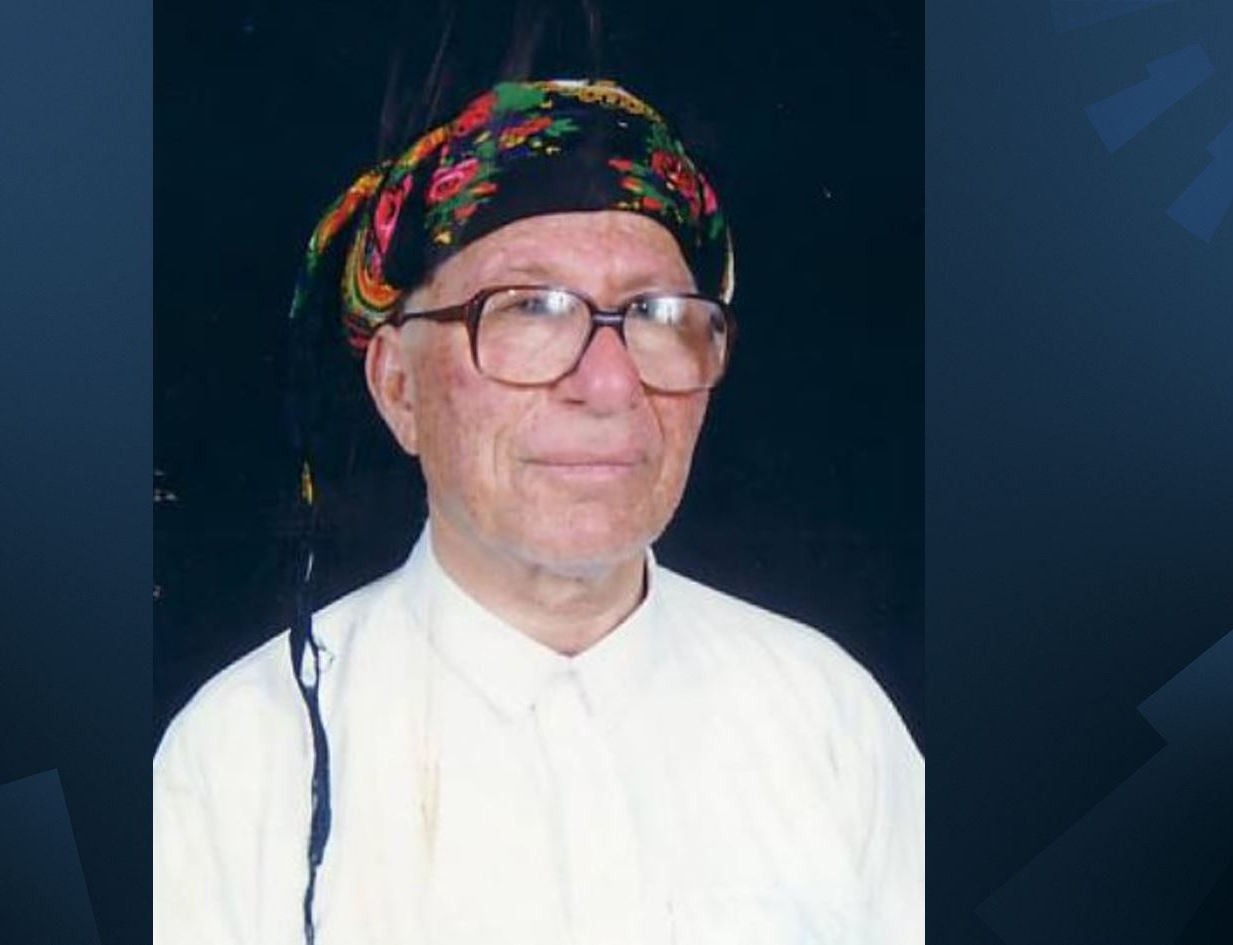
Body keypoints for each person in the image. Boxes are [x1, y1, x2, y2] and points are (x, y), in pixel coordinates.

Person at [153, 78, 923, 945]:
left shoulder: (827, 718)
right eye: (530, 308)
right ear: (399, 388)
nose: (609, 383)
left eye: (657, 314)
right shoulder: (242, 759)